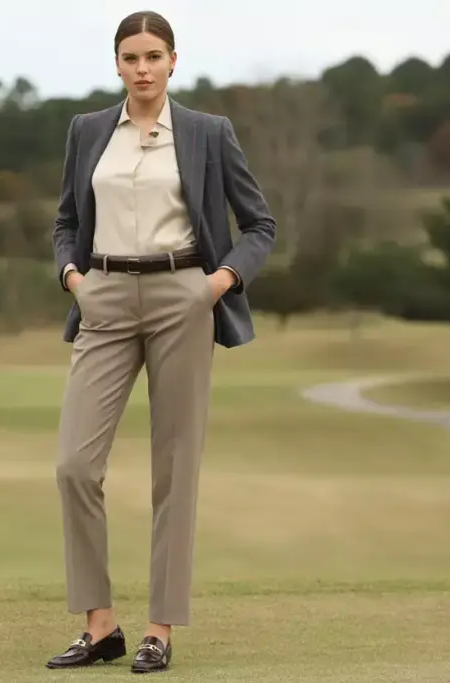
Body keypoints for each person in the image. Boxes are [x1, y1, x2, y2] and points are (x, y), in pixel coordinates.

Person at [45, 9, 276, 674]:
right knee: (73, 466)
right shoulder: (87, 131)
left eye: (153, 56)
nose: (142, 68)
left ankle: (158, 629)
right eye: (130, 57)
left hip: (185, 295)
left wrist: (220, 282)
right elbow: (65, 218)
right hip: (104, 298)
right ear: (116, 64)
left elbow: (259, 224)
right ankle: (100, 625)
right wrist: (72, 276)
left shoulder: (209, 133)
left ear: (174, 61)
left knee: (175, 469)